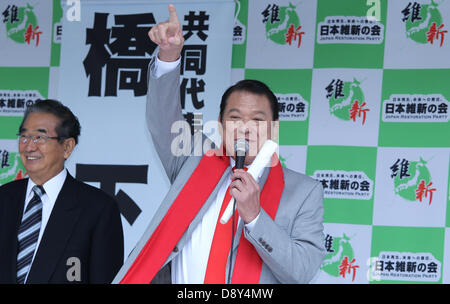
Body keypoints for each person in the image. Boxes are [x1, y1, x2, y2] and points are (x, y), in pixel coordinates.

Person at [113, 4, 325, 284]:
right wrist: (169, 55)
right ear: (221, 123)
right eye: (235, 117)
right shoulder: (194, 159)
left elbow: (301, 271)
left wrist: (255, 217)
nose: (245, 128)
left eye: (257, 120)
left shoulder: (304, 192)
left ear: (274, 129)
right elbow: (163, 119)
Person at [0, 99, 124, 284]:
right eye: (24, 137)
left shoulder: (98, 209)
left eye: (40, 138)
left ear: (67, 147)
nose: (29, 146)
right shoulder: (3, 198)